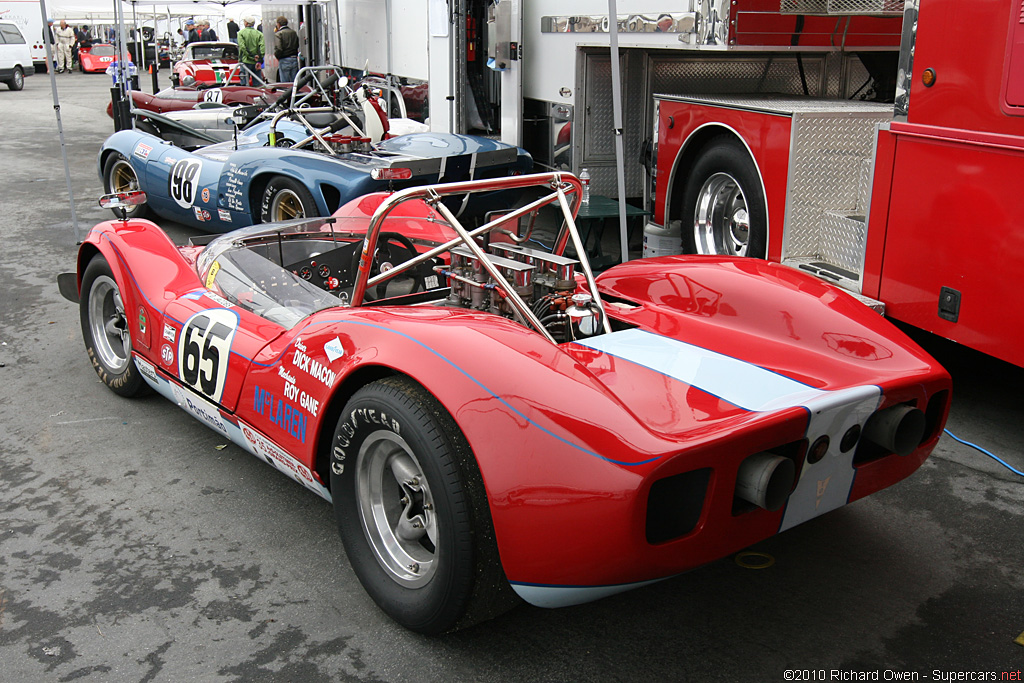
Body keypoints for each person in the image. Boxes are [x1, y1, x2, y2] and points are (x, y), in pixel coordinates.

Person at [236, 16, 264, 86]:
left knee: (244, 84)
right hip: (256, 62)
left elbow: (243, 47)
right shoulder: (259, 34)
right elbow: (262, 48)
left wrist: (251, 56)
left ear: (246, 23)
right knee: (258, 84)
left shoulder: (241, 33)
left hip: (245, 61)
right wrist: (259, 59)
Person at [273, 16, 298, 83]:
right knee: (294, 82)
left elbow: (279, 48)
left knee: (285, 83)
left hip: (284, 59)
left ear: (278, 24)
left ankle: (287, 93)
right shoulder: (294, 33)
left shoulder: (278, 34)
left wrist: (277, 56)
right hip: (294, 59)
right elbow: (297, 45)